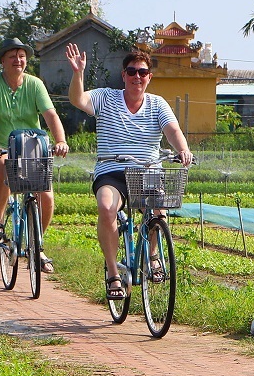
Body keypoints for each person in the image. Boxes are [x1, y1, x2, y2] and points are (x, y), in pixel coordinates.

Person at [65, 44, 192, 299]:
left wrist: (183, 149)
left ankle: (153, 256)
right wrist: (78, 73)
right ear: (123, 75)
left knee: (159, 208)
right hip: (112, 170)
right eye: (132, 72)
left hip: (147, 170)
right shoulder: (106, 97)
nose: (137, 77)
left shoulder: (157, 104)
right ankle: (113, 274)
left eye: (142, 73)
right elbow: (77, 100)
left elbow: (173, 131)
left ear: (149, 77)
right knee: (106, 207)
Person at [0, 38, 70, 271]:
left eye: (22, 56)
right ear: (2, 61)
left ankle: (36, 245)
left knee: (46, 197)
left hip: (32, 147)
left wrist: (60, 141)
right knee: (3, 164)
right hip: (1, 146)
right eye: (12, 56)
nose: (18, 60)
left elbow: (51, 115)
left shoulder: (35, 84)